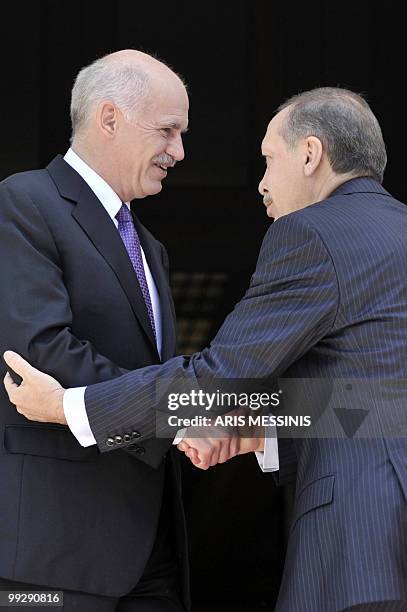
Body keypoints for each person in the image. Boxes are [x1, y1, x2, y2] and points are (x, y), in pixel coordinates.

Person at [4, 87, 407, 611]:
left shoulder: (311, 233)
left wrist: (69, 407)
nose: (261, 183)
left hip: (361, 548)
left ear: (310, 155)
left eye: (268, 160)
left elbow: (216, 383)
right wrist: (260, 431)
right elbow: (375, 399)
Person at [0, 50, 190, 611]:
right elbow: (39, 351)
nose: (178, 151)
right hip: (55, 551)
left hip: (152, 550)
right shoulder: (23, 202)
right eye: (168, 130)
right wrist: (174, 418)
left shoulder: (148, 246)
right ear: (110, 118)